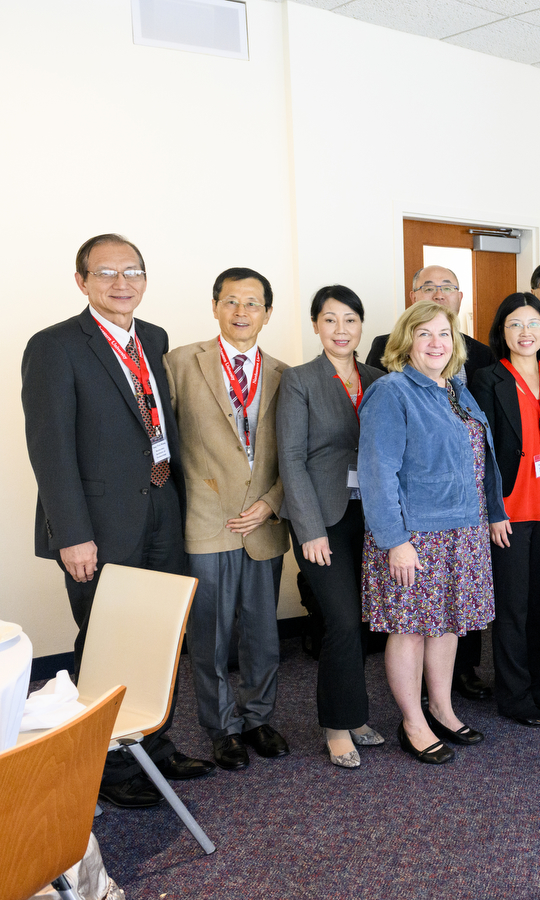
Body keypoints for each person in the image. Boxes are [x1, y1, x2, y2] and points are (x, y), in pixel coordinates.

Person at [21, 234, 213, 808]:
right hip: (97, 525)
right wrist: (72, 534)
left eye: (132, 271)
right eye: (105, 273)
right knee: (105, 642)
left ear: (146, 279)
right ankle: (104, 763)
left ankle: (153, 744)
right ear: (81, 281)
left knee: (160, 633)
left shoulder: (152, 338)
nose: (120, 283)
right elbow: (49, 449)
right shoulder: (54, 346)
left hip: (161, 505)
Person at [358, 300, 506, 763]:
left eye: (444, 334)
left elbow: (483, 461)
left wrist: (494, 512)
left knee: (447, 627)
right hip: (415, 536)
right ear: (406, 342)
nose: (436, 343)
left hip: (465, 531)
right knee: (410, 629)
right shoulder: (392, 391)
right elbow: (377, 472)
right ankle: (412, 721)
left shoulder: (458, 390)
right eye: (424, 335)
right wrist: (395, 542)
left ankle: (441, 707)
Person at [165, 268, 292, 772]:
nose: (242, 313)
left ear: (267, 313)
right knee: (210, 635)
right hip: (206, 519)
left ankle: (259, 717)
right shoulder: (179, 364)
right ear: (215, 306)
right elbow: (160, 444)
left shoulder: (286, 374)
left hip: (262, 521)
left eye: (253, 304)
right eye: (232, 302)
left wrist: (273, 500)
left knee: (263, 633)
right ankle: (222, 729)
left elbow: (298, 454)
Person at [276, 285, 386, 768]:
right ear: (316, 326)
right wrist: (309, 528)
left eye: (350, 320)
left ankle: (356, 714)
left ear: (362, 325)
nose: (340, 330)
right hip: (322, 518)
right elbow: (291, 460)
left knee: (362, 620)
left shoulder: (381, 378)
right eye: (329, 320)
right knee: (340, 620)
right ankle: (336, 726)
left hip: (374, 515)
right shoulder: (300, 380)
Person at [470, 293, 540, 727]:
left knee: (539, 602)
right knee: (512, 606)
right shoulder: (486, 380)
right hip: (509, 511)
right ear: (501, 332)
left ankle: (535, 683)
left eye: (533, 324)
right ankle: (513, 693)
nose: (526, 333)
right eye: (515, 325)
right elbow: (481, 453)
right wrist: (492, 511)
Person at [365, 266, 494, 377]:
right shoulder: (385, 346)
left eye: (447, 288)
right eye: (428, 289)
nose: (439, 295)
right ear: (413, 298)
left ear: (460, 298)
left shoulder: (483, 354)